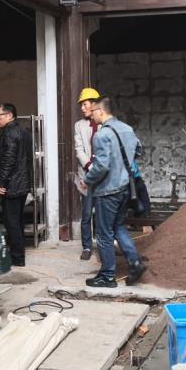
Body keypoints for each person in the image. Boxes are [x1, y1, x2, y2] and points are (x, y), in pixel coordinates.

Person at [83, 96, 147, 288]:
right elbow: (138, 152)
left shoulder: (101, 135)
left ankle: (107, 275)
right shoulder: (127, 129)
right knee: (118, 226)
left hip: (107, 191)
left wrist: (88, 179)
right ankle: (135, 262)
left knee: (104, 233)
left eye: (93, 111)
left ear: (101, 111)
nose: (91, 115)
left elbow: (101, 166)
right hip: (126, 188)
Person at [0, 103, 33, 267]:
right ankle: (18, 256)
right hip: (22, 184)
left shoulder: (9, 132)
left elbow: (8, 161)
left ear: (9, 115)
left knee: (12, 223)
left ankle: (17, 258)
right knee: (17, 221)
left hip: (12, 185)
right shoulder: (24, 132)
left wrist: (0, 183)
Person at [74, 87, 101, 260]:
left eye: (85, 104)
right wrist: (91, 167)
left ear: (94, 104)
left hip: (104, 177)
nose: (82, 108)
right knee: (86, 214)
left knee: (102, 212)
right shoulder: (79, 125)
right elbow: (79, 150)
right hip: (86, 175)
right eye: (81, 105)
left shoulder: (104, 123)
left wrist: (100, 169)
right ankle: (86, 247)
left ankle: (103, 243)